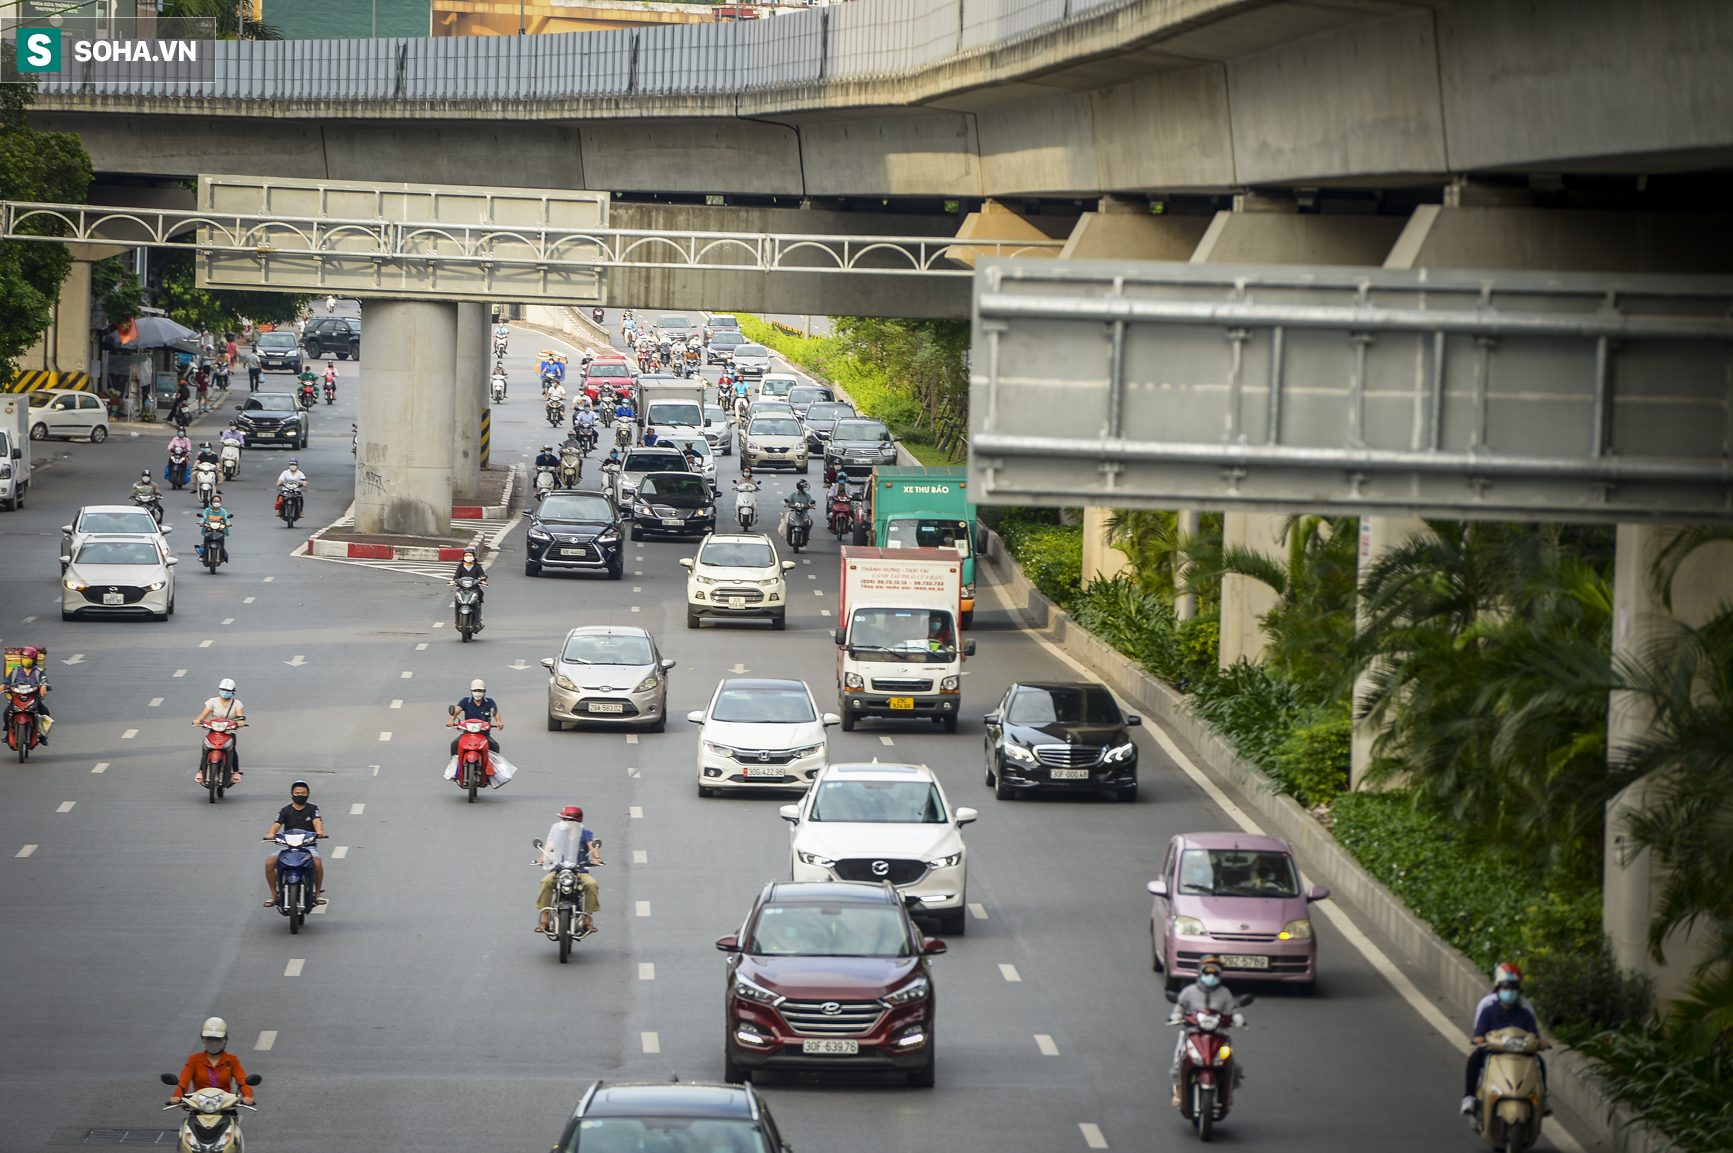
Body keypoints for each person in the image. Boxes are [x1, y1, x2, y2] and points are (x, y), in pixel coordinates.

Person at [1462, 963, 1550, 1115]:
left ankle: (1542, 1099)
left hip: (1521, 1053)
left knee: (1539, 1062)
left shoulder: (1525, 1012)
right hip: (1493, 1053)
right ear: (1498, 989)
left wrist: (1539, 1042)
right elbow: (1479, 1032)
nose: (1509, 992)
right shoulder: (1488, 1009)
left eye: (1513, 989)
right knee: (1474, 1058)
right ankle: (1469, 1097)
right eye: (1505, 988)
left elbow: (1534, 1035)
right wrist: (1478, 1039)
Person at [1168, 955, 1245, 1108]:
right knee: (1179, 1060)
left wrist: (1237, 1018)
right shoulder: (1188, 992)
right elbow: (1180, 1006)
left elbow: (1232, 1009)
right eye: (1207, 972)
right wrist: (1176, 1015)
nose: (1211, 976)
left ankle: (1229, 1092)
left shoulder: (1225, 993)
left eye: (1215, 973)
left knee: (1233, 1064)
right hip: (1192, 1033)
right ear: (1200, 972)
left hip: (1219, 1034)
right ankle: (1179, 1090)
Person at [535, 805, 603, 934]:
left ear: (574, 821)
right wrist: (542, 857)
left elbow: (591, 845)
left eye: (565, 819)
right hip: (559, 870)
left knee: (592, 884)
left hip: (579, 871)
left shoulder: (585, 833)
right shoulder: (559, 832)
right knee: (546, 882)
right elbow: (550, 844)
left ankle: (587, 917)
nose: (563, 822)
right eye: (562, 819)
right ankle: (545, 917)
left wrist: (597, 858)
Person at [265, 781, 326, 907]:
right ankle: (274, 895)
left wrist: (319, 831)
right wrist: (271, 834)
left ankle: (317, 893)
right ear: (292, 794)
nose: (300, 795)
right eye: (297, 793)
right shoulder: (286, 810)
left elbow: (317, 821)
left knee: (317, 863)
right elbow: (276, 824)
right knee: (269, 863)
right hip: (287, 846)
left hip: (307, 846)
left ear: (308, 794)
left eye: (303, 793)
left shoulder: (312, 809)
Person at [170, 1018, 255, 1108]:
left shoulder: (232, 1060)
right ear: (204, 1039)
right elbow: (183, 1082)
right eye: (209, 1039)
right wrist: (177, 1096)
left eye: (217, 1039)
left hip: (225, 1108)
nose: (213, 1042)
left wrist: (248, 1096)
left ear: (225, 1039)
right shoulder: (194, 1059)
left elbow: (242, 1081)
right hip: (199, 1107)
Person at [193, 678, 245, 784]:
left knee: (232, 749)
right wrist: (198, 720)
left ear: (232, 692)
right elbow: (204, 715)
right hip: (214, 731)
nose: (225, 692)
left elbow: (240, 716)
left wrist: (240, 722)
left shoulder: (237, 704)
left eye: (227, 690)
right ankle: (200, 771)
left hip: (229, 732)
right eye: (223, 689)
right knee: (206, 749)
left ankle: (236, 771)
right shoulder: (212, 702)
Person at [3, 646, 50, 744]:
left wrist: (44, 686)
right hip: (17, 698)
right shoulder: (16, 671)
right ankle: (8, 734)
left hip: (34, 699)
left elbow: (44, 681)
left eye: (28, 658)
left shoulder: (39, 672)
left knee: (45, 712)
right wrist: (3, 686)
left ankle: (42, 735)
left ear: (33, 659)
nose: (25, 660)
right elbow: (7, 681)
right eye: (24, 658)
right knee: (7, 713)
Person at [447, 679, 503, 756]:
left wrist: (498, 722)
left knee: (494, 745)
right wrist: (451, 721)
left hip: (483, 733)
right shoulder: (465, 701)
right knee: (454, 744)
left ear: (484, 691)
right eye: (475, 690)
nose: (477, 693)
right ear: (471, 691)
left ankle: (495, 764)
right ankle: (454, 763)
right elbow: (456, 712)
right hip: (467, 733)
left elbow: (495, 712)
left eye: (480, 691)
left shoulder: (489, 702)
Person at [450, 549, 487, 630]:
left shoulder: (477, 566)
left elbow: (482, 576)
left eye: (470, 555)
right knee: (457, 598)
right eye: (466, 555)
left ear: (473, 556)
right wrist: (454, 581)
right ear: (463, 557)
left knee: (479, 596)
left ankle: (478, 617)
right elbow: (456, 576)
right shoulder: (460, 566)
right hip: (463, 589)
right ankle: (457, 618)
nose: (468, 557)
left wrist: (483, 581)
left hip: (474, 588)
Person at [197, 494, 234, 565]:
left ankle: (222, 554)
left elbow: (226, 518)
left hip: (219, 529)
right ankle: (204, 555)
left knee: (221, 541)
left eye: (218, 501)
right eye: (215, 501)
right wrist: (201, 522)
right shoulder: (208, 510)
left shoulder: (223, 511)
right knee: (206, 540)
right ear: (211, 502)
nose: (216, 503)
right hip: (209, 528)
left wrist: (228, 523)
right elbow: (204, 517)